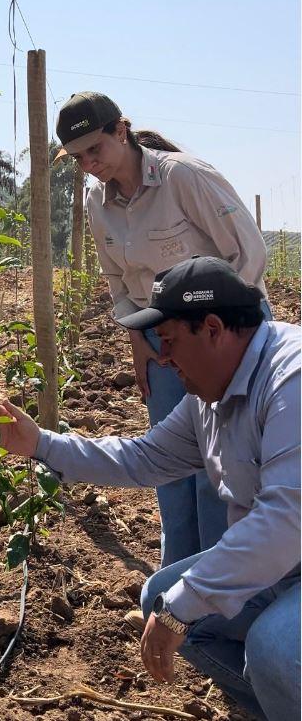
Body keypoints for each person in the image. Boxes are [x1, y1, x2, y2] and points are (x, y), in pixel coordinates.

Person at [0, 257, 300, 721]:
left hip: (289, 551)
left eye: (169, 341)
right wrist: (40, 444)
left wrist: (184, 606)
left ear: (213, 328)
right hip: (282, 568)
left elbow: (284, 524)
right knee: (164, 595)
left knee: (271, 643)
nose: (163, 357)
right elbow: (143, 458)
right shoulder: (208, 397)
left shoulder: (289, 380)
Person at [56, 92, 270, 567]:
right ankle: (176, 581)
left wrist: (227, 343)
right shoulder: (97, 200)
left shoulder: (183, 178)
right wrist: (138, 338)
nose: (90, 164)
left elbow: (248, 255)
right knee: (169, 466)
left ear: (121, 131)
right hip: (160, 338)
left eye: (96, 149)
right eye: (78, 158)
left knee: (219, 467)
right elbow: (118, 280)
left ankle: (218, 594)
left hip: (225, 335)